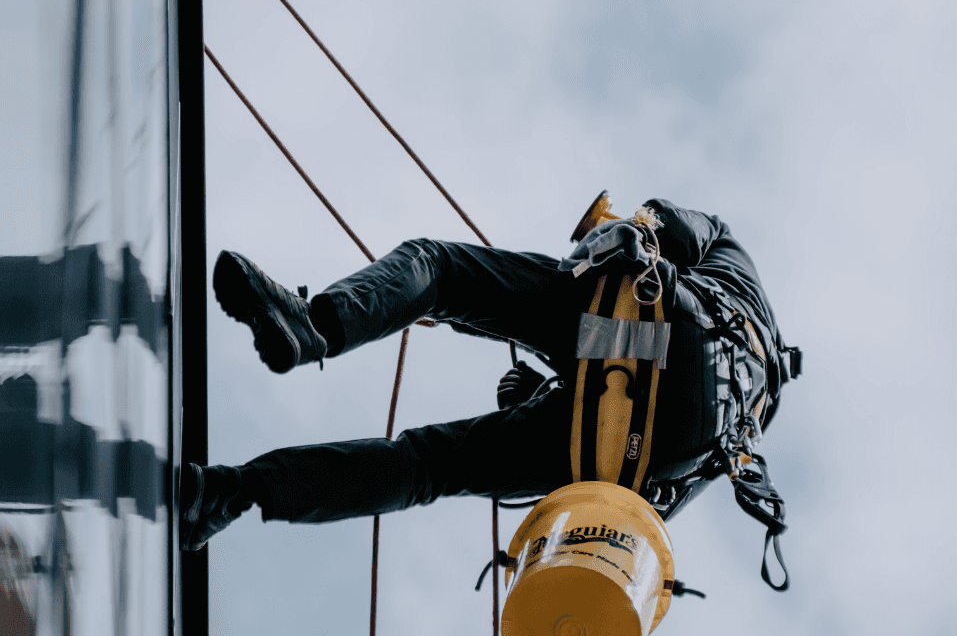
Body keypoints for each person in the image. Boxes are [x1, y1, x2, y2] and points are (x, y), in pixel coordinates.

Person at [179, 198, 791, 553]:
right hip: (651, 445)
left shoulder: (733, 255)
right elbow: (627, 495)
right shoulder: (741, 431)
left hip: (653, 331)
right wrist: (546, 402)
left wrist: (610, 240)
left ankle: (316, 325)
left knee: (440, 271)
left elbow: (658, 228)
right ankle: (230, 495)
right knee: (426, 467)